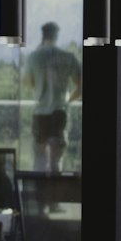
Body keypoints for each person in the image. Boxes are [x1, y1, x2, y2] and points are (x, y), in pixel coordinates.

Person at [25, 21, 81, 173]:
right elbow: (81, 86)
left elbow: (28, 83)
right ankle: (55, 195)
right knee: (56, 163)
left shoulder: (34, 57)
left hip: (40, 114)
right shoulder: (68, 57)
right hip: (59, 112)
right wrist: (68, 101)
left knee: (39, 160)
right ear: (56, 36)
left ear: (43, 35)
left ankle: (38, 195)